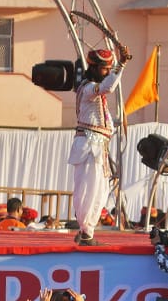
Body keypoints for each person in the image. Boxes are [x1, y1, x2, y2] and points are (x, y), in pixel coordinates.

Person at [69, 46, 130, 246]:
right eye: (105, 69)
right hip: (88, 146)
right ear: (94, 68)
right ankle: (85, 232)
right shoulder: (87, 89)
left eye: (109, 69)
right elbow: (108, 87)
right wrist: (121, 65)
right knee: (88, 188)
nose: (106, 73)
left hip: (98, 147)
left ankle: (87, 231)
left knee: (100, 190)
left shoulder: (95, 94)